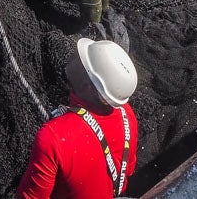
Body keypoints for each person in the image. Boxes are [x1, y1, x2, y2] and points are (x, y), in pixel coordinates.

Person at [16, 36, 139, 199]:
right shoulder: (127, 114)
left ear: (87, 86)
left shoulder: (53, 138)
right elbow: (128, 170)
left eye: (81, 62)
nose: (74, 57)